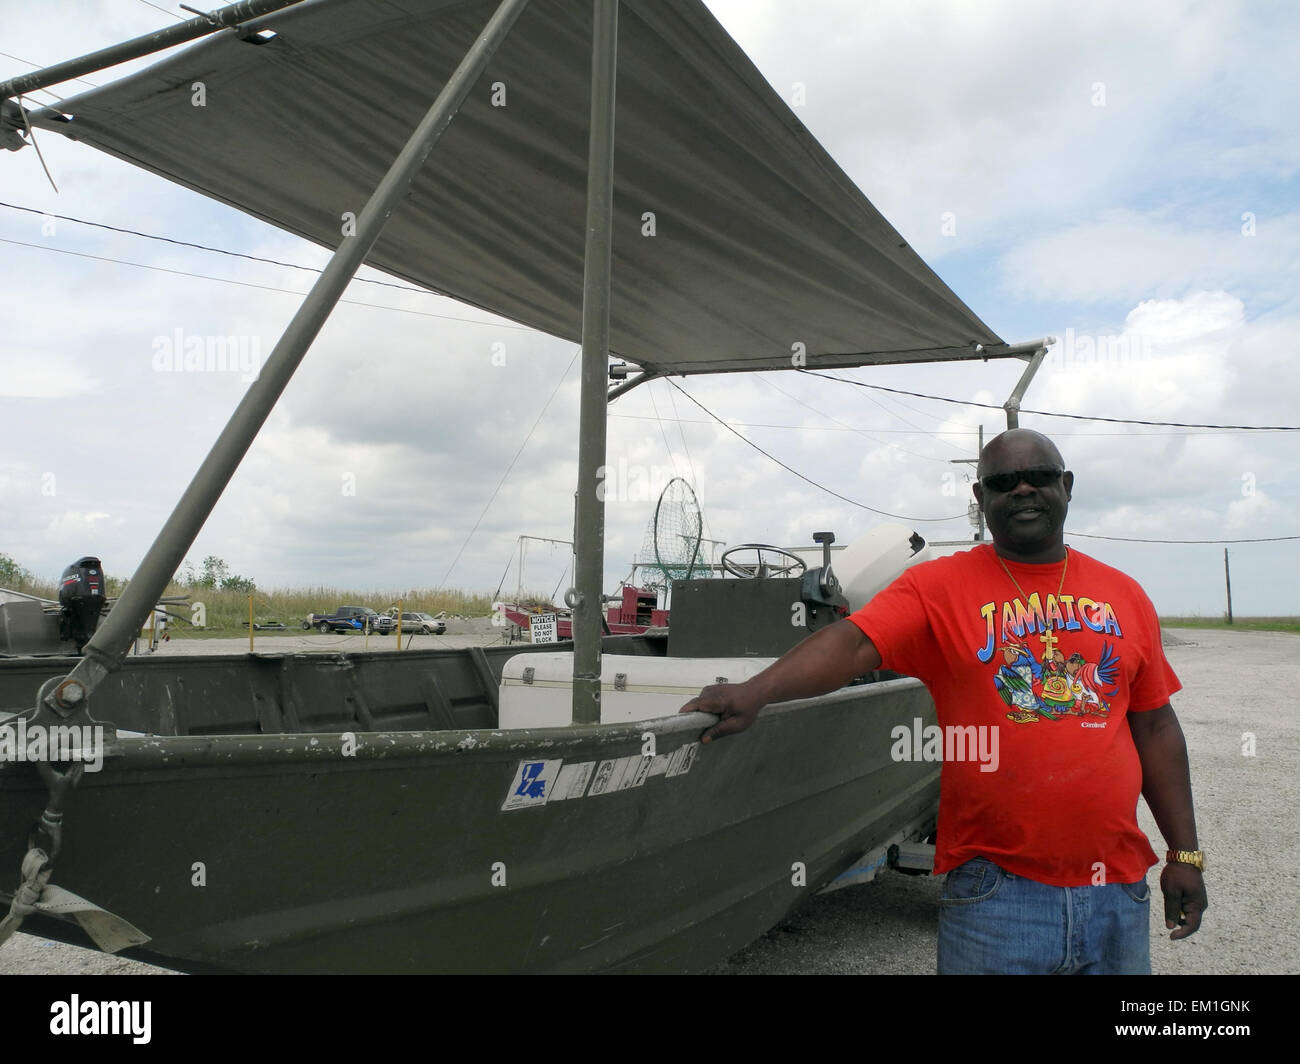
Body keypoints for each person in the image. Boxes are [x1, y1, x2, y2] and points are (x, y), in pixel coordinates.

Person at [678, 428, 1207, 974]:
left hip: (1116, 890)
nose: (1022, 490)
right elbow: (854, 641)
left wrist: (1185, 854)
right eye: (1003, 482)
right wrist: (757, 691)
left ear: (1066, 486)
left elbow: (1156, 729)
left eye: (1039, 478)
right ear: (981, 499)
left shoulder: (1124, 594)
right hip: (997, 897)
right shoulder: (938, 588)